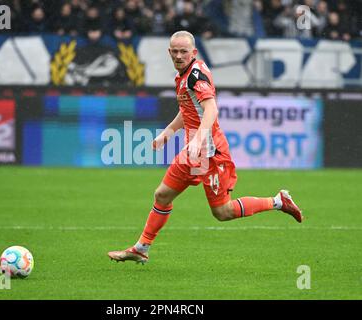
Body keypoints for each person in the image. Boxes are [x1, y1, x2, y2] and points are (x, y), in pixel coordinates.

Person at [108, 30, 303, 264]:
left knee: (222, 212)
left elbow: (211, 110)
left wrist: (199, 139)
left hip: (210, 153)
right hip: (193, 151)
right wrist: (169, 133)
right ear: (169, 52)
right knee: (162, 195)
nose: (179, 55)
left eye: (184, 51)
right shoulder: (185, 74)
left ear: (194, 52)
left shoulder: (195, 77)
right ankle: (141, 248)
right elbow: (189, 109)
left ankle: (278, 201)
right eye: (175, 51)